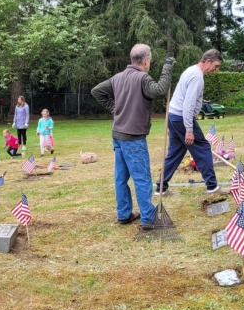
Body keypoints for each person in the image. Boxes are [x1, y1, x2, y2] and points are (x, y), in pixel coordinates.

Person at [91, 44, 174, 229]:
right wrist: (168, 67)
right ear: (146, 61)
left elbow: (96, 91)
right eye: (150, 60)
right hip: (133, 138)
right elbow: (160, 90)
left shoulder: (118, 77)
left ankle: (123, 214)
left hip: (118, 135)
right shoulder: (142, 78)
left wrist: (115, 110)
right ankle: (148, 219)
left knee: (121, 177)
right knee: (142, 178)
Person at [156, 48, 223, 195]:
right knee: (203, 148)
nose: (215, 70)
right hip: (181, 118)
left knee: (175, 153)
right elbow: (188, 105)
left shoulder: (191, 70)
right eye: (215, 66)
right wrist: (189, 129)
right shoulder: (196, 77)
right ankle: (212, 187)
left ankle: (161, 188)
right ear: (207, 62)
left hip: (173, 116)